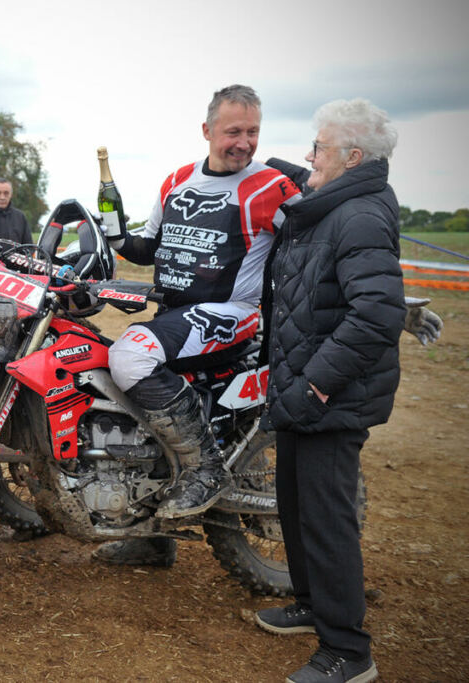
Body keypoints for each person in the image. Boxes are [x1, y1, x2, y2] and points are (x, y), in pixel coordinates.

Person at [94, 85, 303, 566]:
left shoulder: (271, 187)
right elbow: (147, 248)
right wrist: (115, 235)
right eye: (233, 132)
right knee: (111, 383)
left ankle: (205, 467)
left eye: (253, 132)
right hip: (175, 314)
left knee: (130, 356)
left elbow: (323, 244)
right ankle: (150, 535)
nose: (244, 143)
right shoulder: (176, 181)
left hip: (231, 313)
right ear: (207, 130)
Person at [253, 99, 404, 683]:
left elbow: (376, 315)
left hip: (330, 395)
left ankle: (348, 652)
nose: (309, 155)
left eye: (319, 147)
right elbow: (303, 178)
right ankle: (312, 603)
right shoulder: (335, 201)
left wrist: (315, 385)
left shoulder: (359, 216)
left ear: (353, 158)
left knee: (325, 519)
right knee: (295, 505)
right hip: (302, 387)